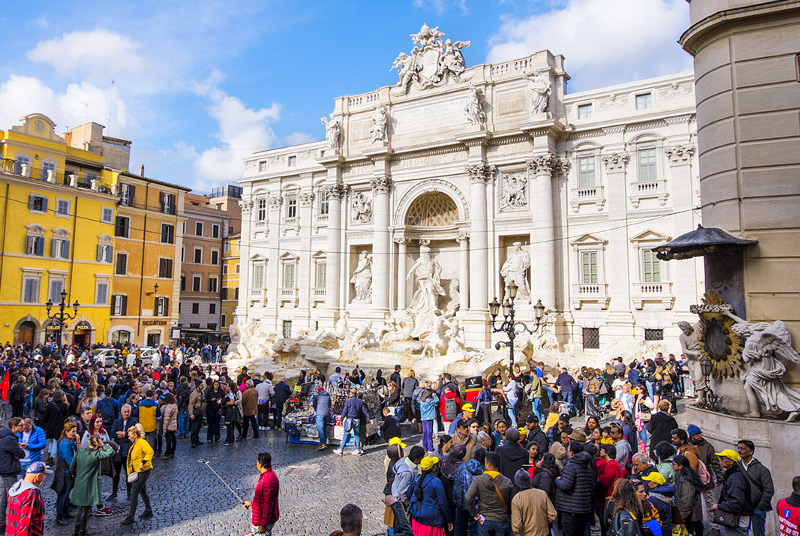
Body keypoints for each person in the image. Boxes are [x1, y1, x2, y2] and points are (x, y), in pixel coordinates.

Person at [70, 433, 115, 535]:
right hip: (89, 485)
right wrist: (103, 445)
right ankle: (82, 531)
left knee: (82, 508)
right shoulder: (95, 455)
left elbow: (71, 468)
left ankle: (77, 529)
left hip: (79, 483)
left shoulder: (79, 452)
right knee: (85, 509)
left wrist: (75, 476)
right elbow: (111, 452)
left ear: (88, 442)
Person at [464, 451, 513, 535]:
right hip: (501, 520)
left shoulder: (478, 480)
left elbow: (468, 497)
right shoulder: (507, 482)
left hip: (484, 520)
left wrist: (475, 514)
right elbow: (511, 502)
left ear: (488, 464)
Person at [554, 441, 595, 536]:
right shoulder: (587, 465)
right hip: (583, 507)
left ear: (571, 452)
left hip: (571, 508)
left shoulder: (571, 466)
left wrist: (557, 480)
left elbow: (565, 485)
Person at [711, 449, 754, 536]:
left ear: (731, 461)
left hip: (737, 521)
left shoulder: (735, 478)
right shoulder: (733, 475)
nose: (720, 460)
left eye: (722, 459)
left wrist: (718, 506)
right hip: (737, 519)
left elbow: (736, 502)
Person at [736, 439, 774, 536]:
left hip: (757, 508)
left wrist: (760, 507)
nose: (740, 451)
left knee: (758, 533)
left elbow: (768, 490)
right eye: (739, 448)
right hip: (742, 507)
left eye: (743, 448)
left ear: (751, 451)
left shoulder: (762, 469)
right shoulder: (737, 467)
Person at [408, 456, 453, 534]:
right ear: (433, 468)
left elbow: (409, 494)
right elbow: (443, 503)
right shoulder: (436, 482)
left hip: (417, 520)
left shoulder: (416, 479)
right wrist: (449, 520)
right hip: (432, 522)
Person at [121, 424, 154, 526]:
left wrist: (143, 462)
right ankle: (148, 510)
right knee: (142, 491)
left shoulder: (141, 442)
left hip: (143, 471)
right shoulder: (136, 443)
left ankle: (131, 516)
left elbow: (150, 452)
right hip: (139, 471)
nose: (129, 437)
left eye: (130, 436)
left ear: (135, 435)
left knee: (134, 493)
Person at [5, 461, 46, 536]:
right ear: (38, 476)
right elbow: (26, 524)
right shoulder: (31, 493)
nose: (44, 478)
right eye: (44, 475)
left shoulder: (15, 488)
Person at [243, 452, 279, 535]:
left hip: (261, 522)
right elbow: (262, 499)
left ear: (260, 463)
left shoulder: (267, 480)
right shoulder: (269, 476)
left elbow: (268, 504)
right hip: (262, 519)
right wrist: (251, 503)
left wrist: (263, 524)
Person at [0, 418, 25, 534]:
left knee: (6, 496)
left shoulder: (5, 436)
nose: (22, 428)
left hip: (5, 468)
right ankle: (6, 522)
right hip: (9, 470)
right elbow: (21, 454)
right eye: (20, 425)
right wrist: (18, 448)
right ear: (13, 426)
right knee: (10, 497)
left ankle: (2, 521)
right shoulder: (9, 439)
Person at [453, 447, 485, 536]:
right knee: (475, 531)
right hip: (475, 506)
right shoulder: (483, 471)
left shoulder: (461, 467)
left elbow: (455, 486)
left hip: (460, 503)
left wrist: (455, 501)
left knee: (459, 529)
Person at [51, 421, 78, 525]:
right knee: (62, 494)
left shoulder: (70, 441)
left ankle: (65, 511)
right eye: (72, 431)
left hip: (67, 470)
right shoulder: (65, 444)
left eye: (75, 431)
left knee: (66, 493)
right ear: (66, 432)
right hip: (64, 472)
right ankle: (60, 515)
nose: (74, 433)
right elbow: (70, 461)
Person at [109, 404, 137, 501]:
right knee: (116, 472)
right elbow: (113, 433)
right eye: (125, 412)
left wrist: (123, 434)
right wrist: (126, 434)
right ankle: (114, 492)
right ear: (121, 412)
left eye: (128, 412)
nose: (126, 414)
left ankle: (129, 492)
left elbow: (133, 434)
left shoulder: (133, 421)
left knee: (128, 472)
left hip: (128, 450)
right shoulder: (117, 422)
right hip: (118, 450)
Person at [672, 454, 704, 536]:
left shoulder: (686, 480)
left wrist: (682, 518)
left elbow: (687, 501)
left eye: (673, 464)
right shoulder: (680, 477)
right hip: (688, 515)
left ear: (680, 466)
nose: (672, 466)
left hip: (690, 516)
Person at [334, 389, 372, 456]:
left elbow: (345, 411)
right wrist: (370, 418)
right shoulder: (360, 402)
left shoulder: (348, 401)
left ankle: (341, 449)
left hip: (350, 419)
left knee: (346, 434)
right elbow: (365, 411)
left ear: (351, 394)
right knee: (357, 434)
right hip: (357, 420)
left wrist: (341, 419)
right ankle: (357, 449)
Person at [188, 379, 206, 447]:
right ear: (198, 386)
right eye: (201, 385)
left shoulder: (201, 392)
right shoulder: (194, 393)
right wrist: (191, 413)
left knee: (198, 426)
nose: (202, 386)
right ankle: (193, 441)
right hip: (196, 411)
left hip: (200, 411)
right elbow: (191, 404)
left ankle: (196, 439)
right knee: (194, 427)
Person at [420, 388, 438, 453]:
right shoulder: (429, 400)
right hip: (429, 418)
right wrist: (434, 395)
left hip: (423, 418)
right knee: (429, 433)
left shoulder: (422, 400)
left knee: (424, 433)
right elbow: (437, 400)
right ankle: (430, 448)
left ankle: (424, 447)